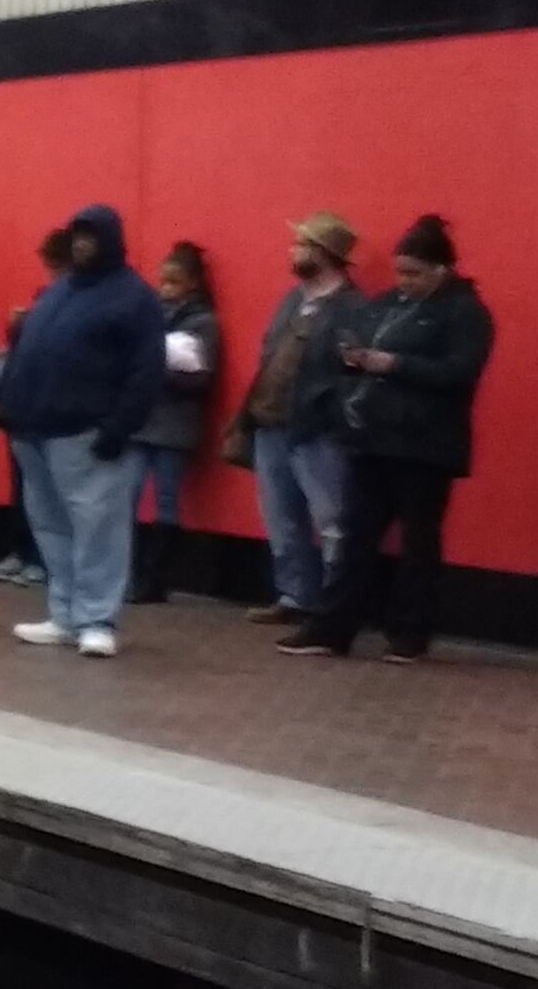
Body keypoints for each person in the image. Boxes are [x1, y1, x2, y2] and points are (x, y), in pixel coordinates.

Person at [282, 216, 498, 664]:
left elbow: (460, 374)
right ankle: (332, 627)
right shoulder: (386, 304)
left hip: (426, 445)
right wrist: (353, 359)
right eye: (401, 272)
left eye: (415, 273)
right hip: (372, 436)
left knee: (419, 541)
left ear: (443, 269)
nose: (405, 282)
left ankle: (409, 633)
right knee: (356, 535)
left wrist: (394, 364)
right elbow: (359, 339)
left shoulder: (466, 312)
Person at [0, 206, 166, 657]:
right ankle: (65, 615)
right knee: (51, 526)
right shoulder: (61, 290)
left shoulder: (134, 297)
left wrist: (119, 427)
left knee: (98, 528)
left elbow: (146, 371)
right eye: (77, 236)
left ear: (111, 240)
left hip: (88, 433)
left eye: (90, 236)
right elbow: (30, 351)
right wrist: (11, 409)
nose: (81, 243)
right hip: (35, 430)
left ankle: (97, 620)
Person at [235, 216, 366, 630]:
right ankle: (296, 595)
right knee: (281, 517)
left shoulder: (353, 307)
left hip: (317, 430)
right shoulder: (292, 300)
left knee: (331, 520)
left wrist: (329, 415)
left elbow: (351, 374)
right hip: (272, 422)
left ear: (326, 254)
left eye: (302, 245)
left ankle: (332, 603)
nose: (293, 252)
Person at [0, 229, 72, 590]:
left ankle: (41, 559)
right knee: (25, 488)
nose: (50, 274)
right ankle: (23, 553)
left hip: (51, 409)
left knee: (46, 491)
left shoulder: (70, 304)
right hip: (26, 406)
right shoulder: (45, 300)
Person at [131, 242, 220, 605]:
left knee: (167, 499)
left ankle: (156, 578)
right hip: (143, 420)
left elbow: (201, 377)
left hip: (174, 424)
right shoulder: (149, 314)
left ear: (192, 284)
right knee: (129, 496)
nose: (165, 288)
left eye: (174, 282)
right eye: (162, 280)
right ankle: (131, 571)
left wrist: (154, 368)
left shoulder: (204, 322)